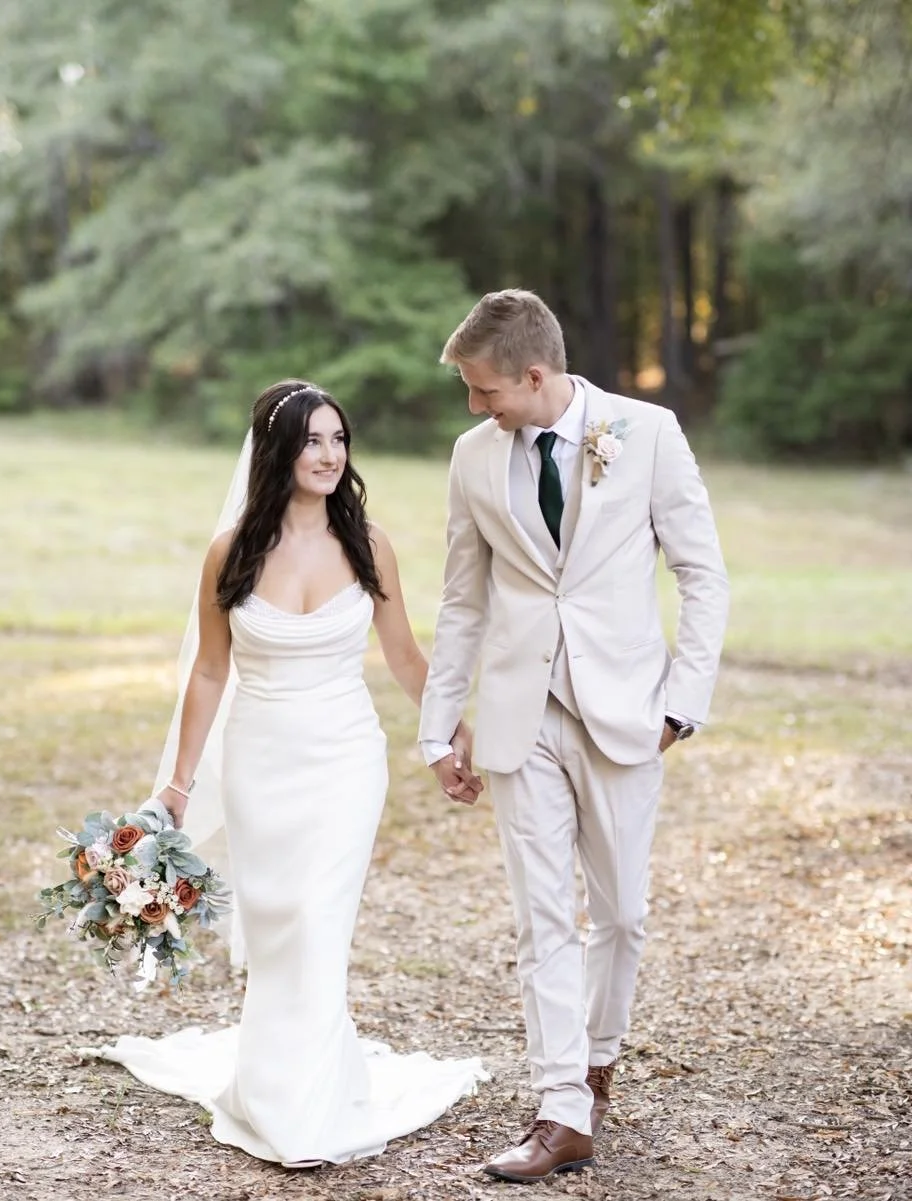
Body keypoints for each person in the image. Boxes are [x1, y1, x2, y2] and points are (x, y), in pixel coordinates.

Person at [93, 380, 487, 1167]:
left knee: (318, 919)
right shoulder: (231, 550)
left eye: (339, 440)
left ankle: (312, 1106)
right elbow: (208, 673)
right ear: (278, 451)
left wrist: (445, 735)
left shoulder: (369, 544)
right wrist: (177, 784)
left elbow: (406, 654)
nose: (330, 455)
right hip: (260, 759)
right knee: (277, 926)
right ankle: (273, 1088)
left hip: (346, 756)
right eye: (313, 440)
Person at [419, 290, 730, 1183]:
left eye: (485, 391)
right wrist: (440, 726)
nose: (477, 408)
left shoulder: (649, 432)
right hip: (523, 718)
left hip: (628, 711)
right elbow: (462, 599)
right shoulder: (472, 459)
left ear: (535, 374)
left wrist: (682, 702)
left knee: (622, 914)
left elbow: (704, 576)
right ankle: (561, 1106)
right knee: (542, 918)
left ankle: (597, 1060)